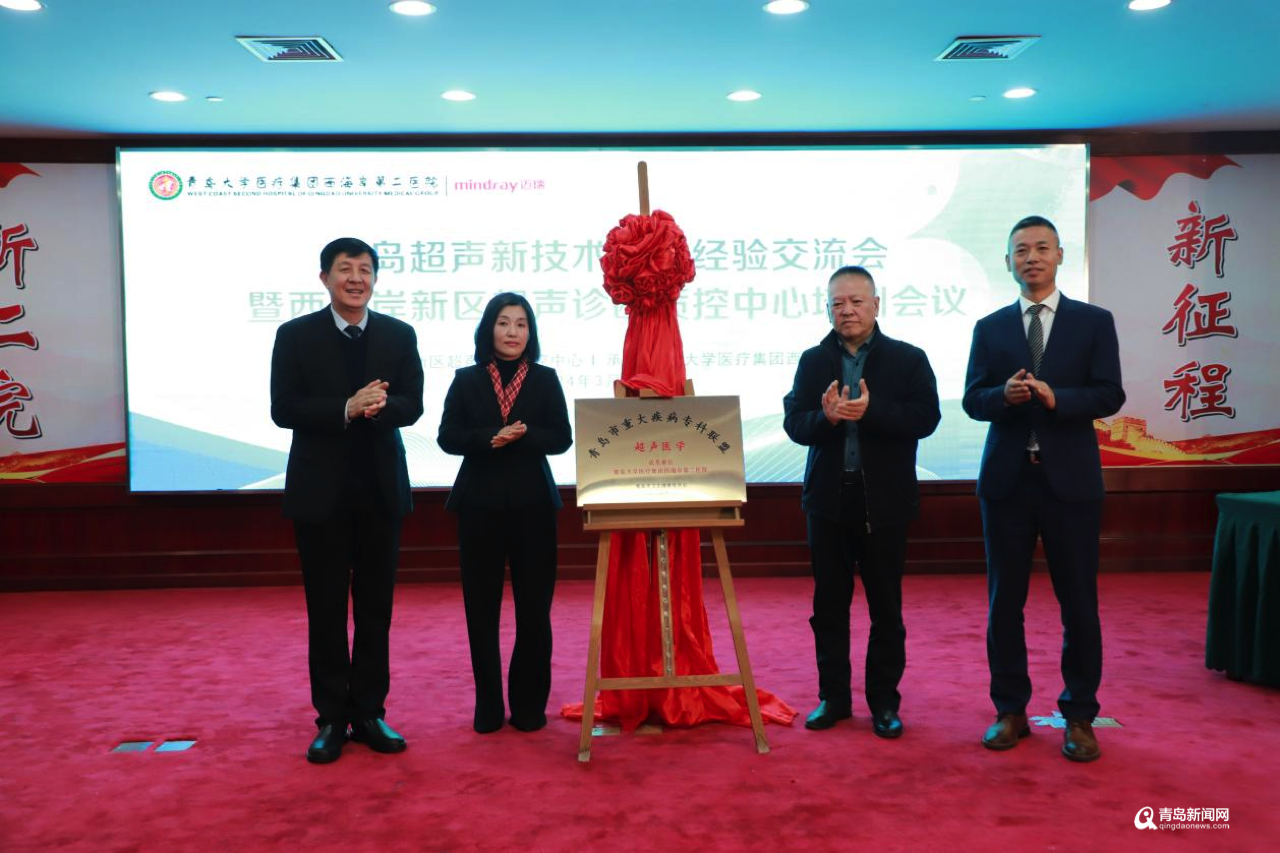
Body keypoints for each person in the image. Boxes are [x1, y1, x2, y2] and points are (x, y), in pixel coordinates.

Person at [963, 216, 1125, 762]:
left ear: (1059, 255)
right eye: (1020, 250)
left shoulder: (1093, 322)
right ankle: (1010, 710)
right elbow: (972, 399)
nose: (1030, 257)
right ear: (1007, 262)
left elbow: (1109, 393)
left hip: (1070, 484)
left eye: (1041, 248)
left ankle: (1079, 715)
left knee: (1078, 601)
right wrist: (1001, 397)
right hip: (1007, 483)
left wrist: (1060, 399)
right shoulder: (990, 327)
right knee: (1003, 602)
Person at [270, 237, 424, 764]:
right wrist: (345, 407)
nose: (356, 278)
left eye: (365, 270)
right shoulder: (295, 335)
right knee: (327, 609)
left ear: (375, 279)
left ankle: (371, 711)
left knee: (376, 609)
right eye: (345, 269)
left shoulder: (398, 334)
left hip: (380, 491)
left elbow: (413, 403)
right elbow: (283, 408)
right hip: (321, 494)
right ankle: (332, 717)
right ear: (325, 278)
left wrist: (379, 407)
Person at [783, 266, 940, 738]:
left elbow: (926, 418)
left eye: (856, 301)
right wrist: (826, 418)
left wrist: (873, 412)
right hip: (828, 502)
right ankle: (833, 698)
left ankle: (884, 703)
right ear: (827, 309)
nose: (847, 310)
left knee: (885, 608)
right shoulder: (814, 361)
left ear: (876, 305)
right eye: (837, 303)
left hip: (885, 503)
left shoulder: (908, 359)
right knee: (828, 606)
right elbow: (795, 424)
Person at [438, 293, 572, 734]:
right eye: (503, 323)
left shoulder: (545, 379)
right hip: (479, 505)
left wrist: (525, 434)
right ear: (488, 329)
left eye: (521, 324)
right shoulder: (467, 379)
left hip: (534, 506)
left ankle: (529, 706)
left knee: (534, 610)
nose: (512, 332)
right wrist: (489, 437)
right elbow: (447, 437)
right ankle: (489, 706)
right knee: (481, 610)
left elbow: (562, 438)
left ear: (530, 332)